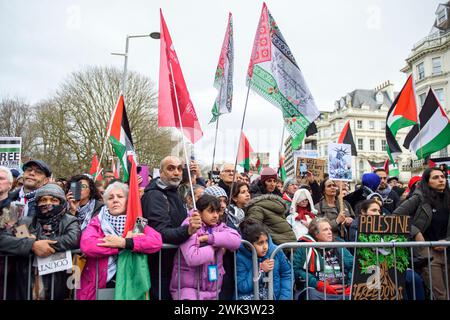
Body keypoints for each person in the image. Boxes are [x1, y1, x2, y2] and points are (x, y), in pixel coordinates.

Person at [77, 182, 162, 300]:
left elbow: (156, 241)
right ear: (106, 202)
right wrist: (119, 246)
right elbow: (87, 245)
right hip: (99, 284)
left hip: (130, 285)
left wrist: (125, 243)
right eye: (111, 198)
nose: (115, 200)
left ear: (128, 201)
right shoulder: (98, 221)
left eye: (120, 196)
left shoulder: (137, 223)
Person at [3, 183, 80, 300]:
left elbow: (73, 239)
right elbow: (13, 238)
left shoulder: (70, 220)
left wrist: (39, 242)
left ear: (61, 203)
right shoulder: (25, 221)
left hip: (58, 283)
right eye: (43, 200)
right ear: (37, 203)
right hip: (27, 282)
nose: (48, 203)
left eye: (53, 200)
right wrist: (32, 245)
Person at [141, 156, 202, 300]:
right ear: (161, 172)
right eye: (171, 168)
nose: (176, 172)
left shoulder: (175, 192)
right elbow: (159, 232)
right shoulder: (155, 196)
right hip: (161, 265)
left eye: (179, 168)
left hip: (175, 264)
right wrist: (187, 230)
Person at [393, 168, 450, 300]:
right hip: (427, 252)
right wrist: (416, 232)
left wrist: (446, 241)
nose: (441, 180)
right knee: (440, 294)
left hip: (447, 251)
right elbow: (396, 216)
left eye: (442, 177)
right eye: (435, 177)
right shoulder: (419, 198)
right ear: (427, 181)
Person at [170, 194, 241, 300]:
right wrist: (215, 247)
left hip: (212, 288)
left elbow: (236, 241)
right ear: (199, 212)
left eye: (217, 212)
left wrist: (209, 239)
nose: (216, 215)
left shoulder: (218, 226)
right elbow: (193, 257)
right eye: (211, 211)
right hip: (188, 290)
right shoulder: (190, 225)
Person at [293, 218, 353, 300]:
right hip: (318, 292)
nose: (330, 232)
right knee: (310, 294)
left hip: (344, 291)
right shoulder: (304, 247)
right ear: (315, 234)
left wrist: (351, 285)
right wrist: (318, 284)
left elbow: (353, 265)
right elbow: (297, 270)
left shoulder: (339, 244)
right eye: (325, 230)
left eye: (330, 229)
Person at [237, 219, 292, 300]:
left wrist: (284, 297)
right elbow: (242, 286)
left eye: (266, 241)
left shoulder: (276, 251)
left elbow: (287, 274)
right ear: (249, 245)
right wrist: (259, 269)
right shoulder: (240, 256)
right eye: (260, 243)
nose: (265, 246)